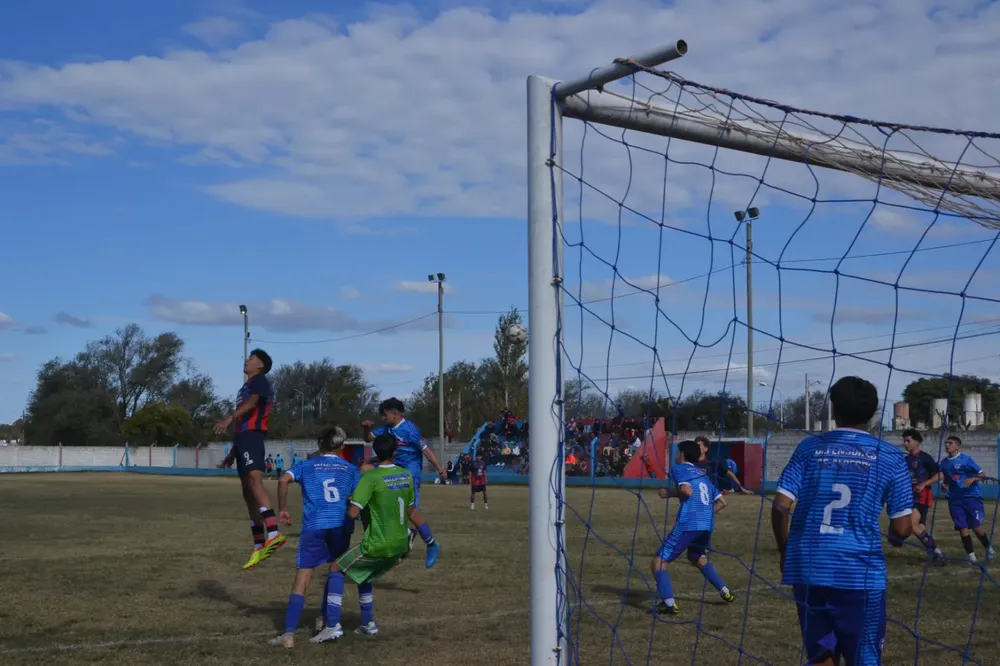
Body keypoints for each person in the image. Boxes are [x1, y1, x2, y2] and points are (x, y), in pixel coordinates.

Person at [771, 376, 912, 666]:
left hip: (808, 565)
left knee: (821, 655)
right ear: (873, 413)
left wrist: (785, 549)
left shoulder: (809, 448)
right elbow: (901, 528)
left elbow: (781, 505)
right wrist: (897, 535)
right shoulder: (890, 456)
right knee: (865, 657)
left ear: (833, 410)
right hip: (858, 571)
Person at [311, 432, 439, 643]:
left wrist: (347, 501)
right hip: (400, 545)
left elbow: (352, 513)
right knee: (365, 574)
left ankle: (332, 626)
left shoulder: (370, 478)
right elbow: (412, 513)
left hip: (379, 545)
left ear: (375, 454)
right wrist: (430, 541)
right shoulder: (406, 475)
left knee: (336, 568)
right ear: (395, 452)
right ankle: (368, 624)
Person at [268, 427, 361, 648]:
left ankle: (289, 634)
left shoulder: (307, 465)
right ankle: (324, 620)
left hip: (315, 525)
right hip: (340, 525)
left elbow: (282, 480)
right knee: (335, 572)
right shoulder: (350, 470)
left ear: (319, 444)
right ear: (342, 447)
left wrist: (282, 508)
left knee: (303, 577)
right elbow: (358, 498)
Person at [213, 349, 286, 569]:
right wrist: (232, 453)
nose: (247, 360)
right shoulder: (244, 387)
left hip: (253, 437)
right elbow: (242, 423)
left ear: (261, 366)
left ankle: (274, 533)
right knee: (247, 494)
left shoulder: (260, 381)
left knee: (255, 483)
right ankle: (259, 544)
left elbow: (253, 404)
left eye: (252, 359)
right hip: (243, 439)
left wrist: (229, 418)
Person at [651, 439, 735, 615]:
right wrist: (705, 514)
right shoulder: (702, 473)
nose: (675, 455)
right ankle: (724, 591)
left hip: (689, 524)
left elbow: (687, 491)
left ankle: (668, 603)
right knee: (696, 556)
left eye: (677, 452)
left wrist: (669, 493)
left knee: (659, 562)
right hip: (706, 525)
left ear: (681, 454)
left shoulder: (680, 469)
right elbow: (722, 502)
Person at [362, 397, 446, 565]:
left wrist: (440, 469)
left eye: (384, 415)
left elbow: (426, 451)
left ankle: (431, 543)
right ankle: (403, 535)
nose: (383, 418)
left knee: (410, 511)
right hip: (392, 468)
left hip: (409, 473)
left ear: (394, 414)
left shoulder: (410, 430)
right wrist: (366, 429)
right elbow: (368, 438)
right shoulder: (387, 428)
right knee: (365, 470)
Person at [937, 435, 995, 565]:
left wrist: (973, 479)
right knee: (962, 527)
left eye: (950, 443)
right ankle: (971, 556)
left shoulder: (966, 460)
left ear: (957, 446)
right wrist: (945, 484)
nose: (947, 445)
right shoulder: (944, 462)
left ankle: (989, 549)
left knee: (975, 526)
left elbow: (982, 475)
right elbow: (947, 477)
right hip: (954, 499)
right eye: (946, 443)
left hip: (971, 497)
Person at [901, 429, 947, 565]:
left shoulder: (925, 458)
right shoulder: (906, 459)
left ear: (917, 442)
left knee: (913, 526)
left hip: (921, 497)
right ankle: (936, 553)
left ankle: (938, 553)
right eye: (904, 441)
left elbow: (940, 475)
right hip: (910, 497)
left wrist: (923, 484)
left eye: (908, 440)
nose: (905, 443)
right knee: (919, 528)